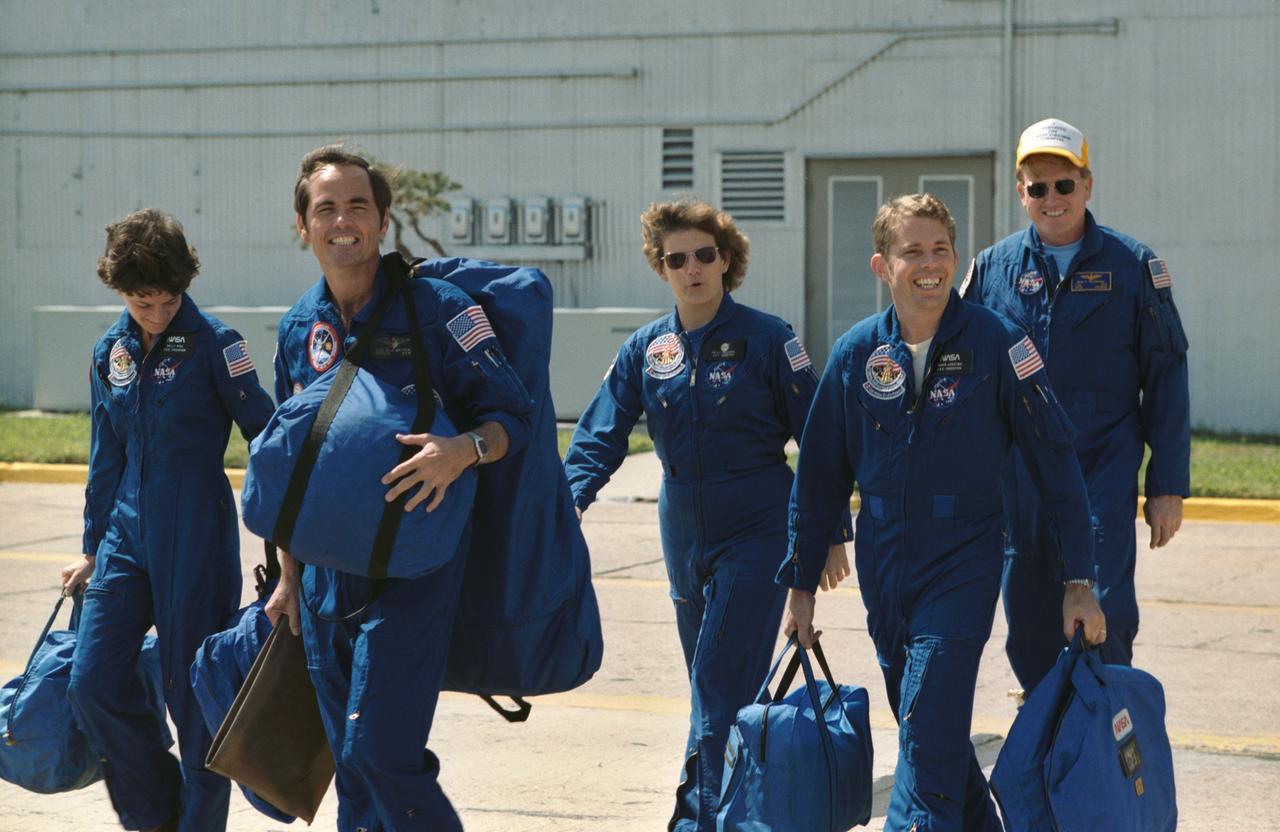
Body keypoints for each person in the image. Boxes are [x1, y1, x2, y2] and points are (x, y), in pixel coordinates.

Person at [781, 194, 1106, 831]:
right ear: (882, 265)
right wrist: (800, 587)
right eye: (913, 251)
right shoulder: (855, 354)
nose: (929, 264)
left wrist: (1079, 579)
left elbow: (1057, 466)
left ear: (956, 259)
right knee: (932, 730)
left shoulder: (998, 344)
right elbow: (818, 476)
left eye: (940, 250)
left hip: (964, 559)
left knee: (926, 728)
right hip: (884, 564)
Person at [264, 144, 533, 832]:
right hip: (323, 576)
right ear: (304, 226)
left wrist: (460, 451)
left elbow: (513, 418)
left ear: (383, 221)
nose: (342, 220)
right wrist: (287, 575)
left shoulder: (437, 309)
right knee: (350, 767)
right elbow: (295, 464)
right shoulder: (299, 327)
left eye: (358, 205)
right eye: (326, 208)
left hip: (415, 564)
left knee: (379, 752)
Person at [563, 198, 851, 832]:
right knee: (715, 686)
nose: (691, 269)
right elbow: (598, 435)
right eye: (676, 259)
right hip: (682, 532)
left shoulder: (768, 338)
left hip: (758, 526)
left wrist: (830, 532)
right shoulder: (647, 348)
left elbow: (820, 439)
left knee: (718, 684)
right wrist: (567, 505)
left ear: (726, 260)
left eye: (703, 255)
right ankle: (740, 809)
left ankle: (699, 820)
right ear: (660, 267)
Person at [62, 208, 276, 832]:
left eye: (168, 300)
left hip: (196, 534)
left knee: (193, 696)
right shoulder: (111, 351)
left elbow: (265, 434)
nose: (157, 314)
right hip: (124, 537)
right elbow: (106, 455)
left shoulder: (217, 343)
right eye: (142, 302)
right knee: (92, 683)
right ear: (119, 290)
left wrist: (284, 533)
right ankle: (156, 814)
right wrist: (92, 548)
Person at [961, 118, 1191, 692]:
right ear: (1021, 193)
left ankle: (1103, 734)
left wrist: (1167, 485)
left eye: (1064, 184)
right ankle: (1046, 728)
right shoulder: (992, 270)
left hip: (1100, 472)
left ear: (1087, 185)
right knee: (1028, 624)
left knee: (1102, 616)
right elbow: (964, 374)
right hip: (1021, 481)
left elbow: (1165, 374)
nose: (1052, 199)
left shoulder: (1133, 267)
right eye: (1038, 187)